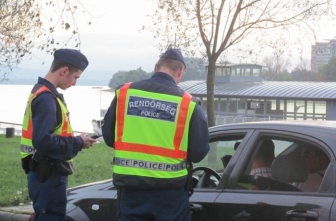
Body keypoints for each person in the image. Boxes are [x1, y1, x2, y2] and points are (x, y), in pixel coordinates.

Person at [102, 48, 210, 221]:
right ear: (181, 71)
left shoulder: (124, 94)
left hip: (132, 192)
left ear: (155, 67)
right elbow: (198, 152)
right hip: (170, 196)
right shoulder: (188, 104)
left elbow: (108, 137)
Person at [20, 49, 97, 221]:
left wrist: (78, 141)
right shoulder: (47, 99)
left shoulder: (39, 91)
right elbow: (43, 141)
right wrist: (78, 142)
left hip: (41, 172)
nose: (75, 83)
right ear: (64, 71)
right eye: (76, 77)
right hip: (48, 175)